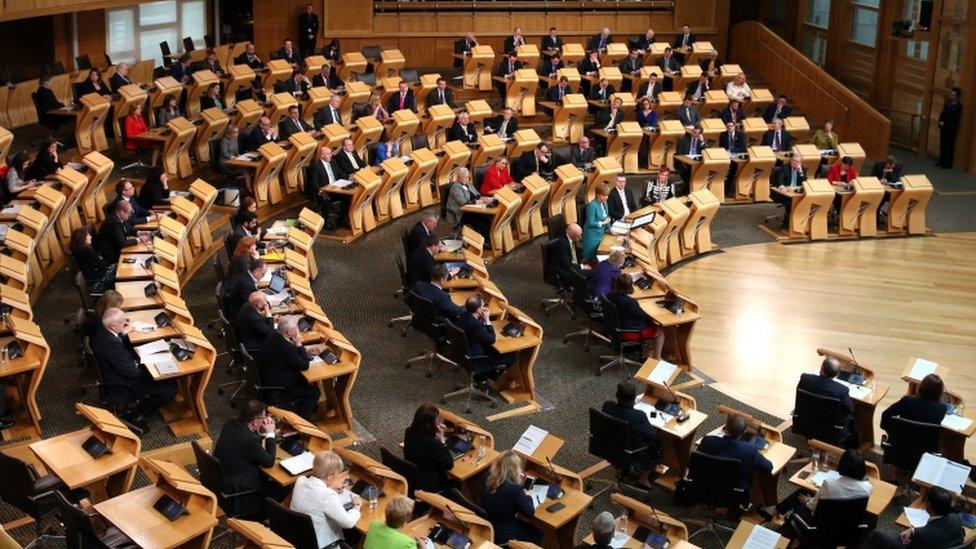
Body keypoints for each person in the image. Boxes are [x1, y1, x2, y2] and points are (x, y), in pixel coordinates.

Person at [92, 308, 178, 430]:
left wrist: (122, 332)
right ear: (112, 326)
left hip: (119, 372)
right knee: (170, 390)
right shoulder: (111, 344)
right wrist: (148, 368)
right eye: (123, 322)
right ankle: (135, 414)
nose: (126, 323)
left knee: (165, 378)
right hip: (123, 384)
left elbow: (117, 344)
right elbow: (132, 373)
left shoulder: (104, 333)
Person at [766, 449, 872, 524]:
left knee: (801, 498)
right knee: (804, 493)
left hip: (824, 524)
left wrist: (809, 500)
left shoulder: (830, 484)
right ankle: (776, 509)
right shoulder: (868, 488)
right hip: (848, 526)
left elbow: (811, 506)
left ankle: (788, 529)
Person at [212, 400, 278, 519]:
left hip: (220, 481)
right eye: (263, 417)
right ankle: (259, 517)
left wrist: (262, 432)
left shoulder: (230, 423)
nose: (265, 419)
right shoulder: (250, 441)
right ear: (255, 421)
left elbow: (246, 438)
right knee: (280, 486)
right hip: (238, 489)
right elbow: (269, 462)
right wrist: (270, 434)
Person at [290, 451, 363, 548]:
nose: (337, 477)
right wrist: (357, 507)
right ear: (329, 475)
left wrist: (329, 488)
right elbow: (348, 523)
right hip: (322, 544)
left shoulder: (300, 481)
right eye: (337, 474)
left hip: (298, 537)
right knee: (357, 534)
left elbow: (313, 494)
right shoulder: (327, 495)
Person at [697, 414, 773, 501]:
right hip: (734, 492)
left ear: (725, 428)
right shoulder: (750, 450)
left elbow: (698, 460)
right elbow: (768, 467)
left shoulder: (707, 440)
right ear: (744, 432)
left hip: (707, 483)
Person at [258, 316, 321, 419]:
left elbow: (286, 355)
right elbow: (305, 366)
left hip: (268, 376)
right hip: (280, 387)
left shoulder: (273, 334)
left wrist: (303, 350)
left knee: (307, 382)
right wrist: (299, 344)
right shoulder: (287, 348)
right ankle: (301, 421)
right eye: (296, 327)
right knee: (314, 392)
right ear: (289, 332)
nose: (298, 329)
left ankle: (310, 408)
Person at [602, 381, 661, 487]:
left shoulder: (607, 406)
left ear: (617, 395)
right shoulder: (639, 416)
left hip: (608, 447)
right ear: (634, 398)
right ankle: (643, 479)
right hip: (631, 453)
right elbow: (652, 437)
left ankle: (624, 467)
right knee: (655, 446)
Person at [481, 450, 541, 545]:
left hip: (488, 525)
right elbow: (529, 512)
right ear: (514, 469)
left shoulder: (487, 477)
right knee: (537, 533)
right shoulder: (515, 490)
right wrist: (528, 495)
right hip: (504, 532)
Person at [798, 356, 858, 447]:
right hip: (831, 430)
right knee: (852, 418)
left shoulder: (805, 379)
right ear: (836, 374)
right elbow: (850, 410)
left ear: (822, 367)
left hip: (806, 424)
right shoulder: (842, 390)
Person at [456, 294, 515, 383]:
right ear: (478, 309)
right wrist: (487, 320)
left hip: (464, 353)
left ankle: (483, 376)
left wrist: (481, 319)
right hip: (477, 357)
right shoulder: (476, 326)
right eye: (483, 305)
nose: (484, 307)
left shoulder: (463, 316)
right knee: (511, 357)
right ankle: (488, 377)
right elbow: (491, 339)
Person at [607, 274, 665, 359]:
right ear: (630, 286)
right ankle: (657, 358)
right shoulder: (630, 302)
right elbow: (643, 316)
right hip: (629, 331)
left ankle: (645, 354)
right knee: (660, 331)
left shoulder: (610, 296)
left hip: (615, 328)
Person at [403, 403, 454, 493]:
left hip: (412, 478)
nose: (438, 423)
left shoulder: (409, 432)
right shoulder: (433, 444)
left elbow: (422, 441)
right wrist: (442, 441)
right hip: (430, 486)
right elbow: (449, 465)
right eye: (436, 421)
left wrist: (434, 432)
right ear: (429, 424)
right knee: (457, 482)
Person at [881, 373, 947, 432]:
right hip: (925, 445)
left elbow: (886, 415)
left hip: (900, 442)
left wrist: (891, 432)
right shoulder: (942, 409)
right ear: (940, 393)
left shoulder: (907, 401)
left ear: (921, 387)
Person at [70, 227, 115, 294]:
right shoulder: (86, 252)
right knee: (119, 270)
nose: (91, 237)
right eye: (88, 235)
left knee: (118, 266)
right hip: (97, 283)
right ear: (82, 238)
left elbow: (101, 262)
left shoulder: (78, 250)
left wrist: (100, 258)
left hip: (95, 279)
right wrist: (101, 258)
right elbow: (102, 265)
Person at [772, 155, 808, 227]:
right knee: (790, 203)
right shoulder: (784, 168)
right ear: (791, 160)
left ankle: (800, 224)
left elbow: (805, 182)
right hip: (784, 193)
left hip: (796, 193)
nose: (795, 163)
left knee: (805, 201)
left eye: (797, 161)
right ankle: (787, 221)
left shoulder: (802, 169)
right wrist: (782, 187)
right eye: (793, 160)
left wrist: (800, 172)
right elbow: (779, 180)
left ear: (800, 163)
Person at [121, 103, 159, 167]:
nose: (140, 110)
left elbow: (144, 129)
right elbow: (128, 135)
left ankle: (155, 164)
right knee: (157, 147)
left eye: (140, 109)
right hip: (134, 142)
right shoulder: (128, 119)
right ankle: (153, 166)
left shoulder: (140, 117)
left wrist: (150, 129)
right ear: (133, 111)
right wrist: (139, 137)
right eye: (138, 109)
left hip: (143, 139)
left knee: (159, 143)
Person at [305, 145, 340, 213]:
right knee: (326, 203)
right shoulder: (315, 166)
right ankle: (327, 221)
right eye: (328, 154)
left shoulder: (333, 162)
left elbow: (340, 173)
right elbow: (313, 183)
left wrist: (350, 178)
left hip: (336, 189)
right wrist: (321, 192)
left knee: (349, 198)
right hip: (324, 192)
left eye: (331, 153)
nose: (330, 155)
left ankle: (342, 219)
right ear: (321, 156)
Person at [581, 184, 611, 262]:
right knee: (592, 259)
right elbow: (591, 223)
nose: (606, 197)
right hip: (592, 235)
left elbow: (606, 218)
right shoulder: (592, 205)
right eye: (604, 195)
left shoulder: (605, 203)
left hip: (601, 234)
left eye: (607, 195)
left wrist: (610, 229)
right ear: (597, 195)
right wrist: (603, 223)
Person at [938, 87, 962, 168]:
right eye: (951, 94)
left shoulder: (958, 106)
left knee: (949, 146)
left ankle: (947, 163)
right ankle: (941, 160)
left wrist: (945, 123)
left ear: (957, 96)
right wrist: (940, 120)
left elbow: (954, 118)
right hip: (944, 127)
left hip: (951, 129)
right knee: (942, 145)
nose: (951, 96)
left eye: (953, 95)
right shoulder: (947, 103)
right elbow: (943, 113)